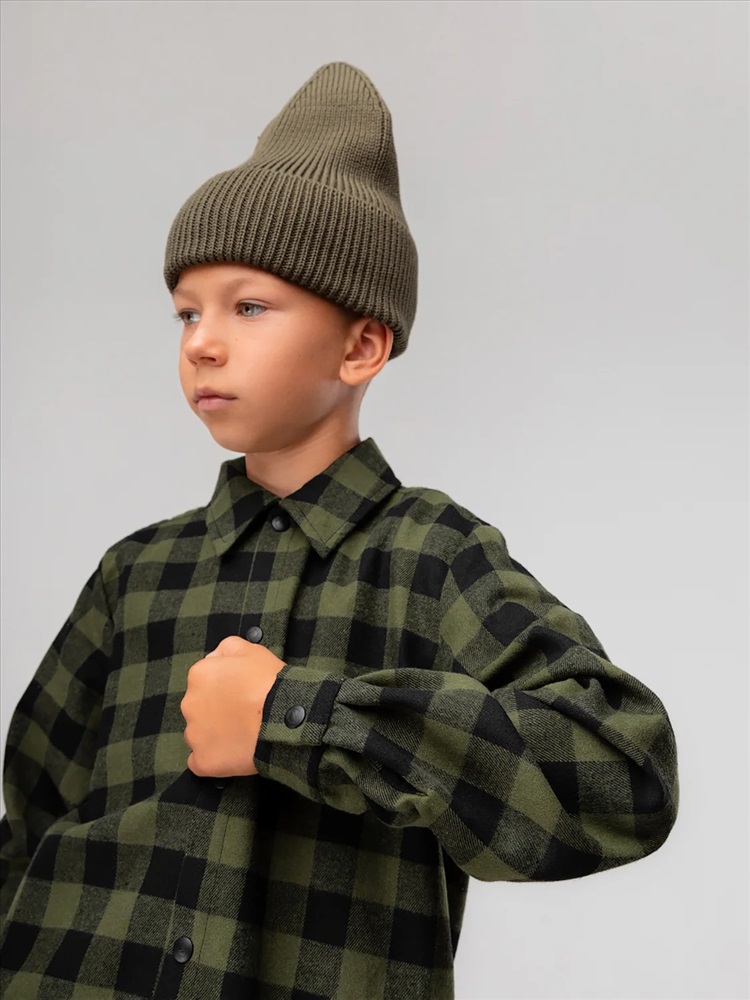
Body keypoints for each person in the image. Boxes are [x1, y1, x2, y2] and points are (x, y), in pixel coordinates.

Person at [0, 62, 678, 1000]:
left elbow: (625, 775)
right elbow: (31, 824)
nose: (199, 342)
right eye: (186, 312)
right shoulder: (136, 574)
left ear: (361, 346)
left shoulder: (432, 559)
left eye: (248, 306)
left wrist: (298, 716)